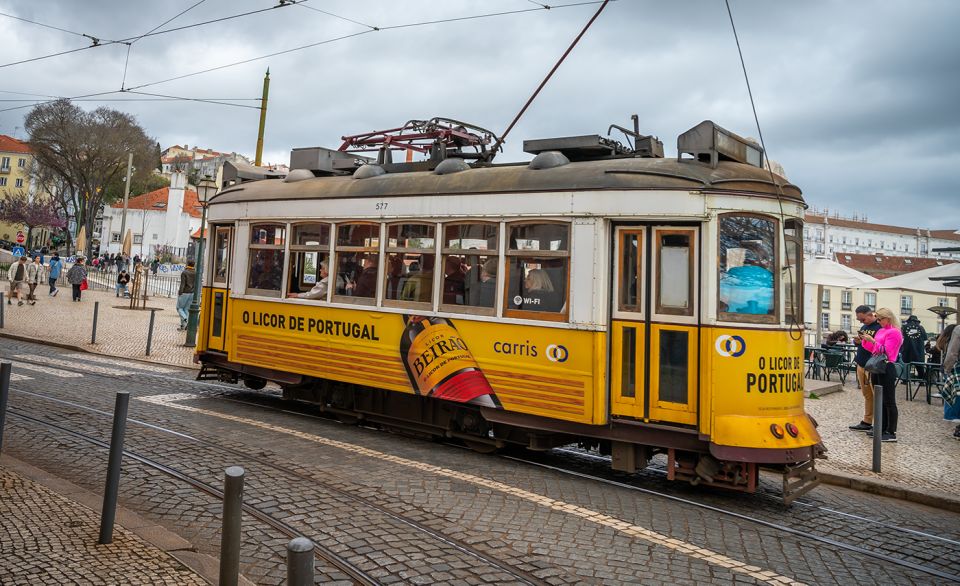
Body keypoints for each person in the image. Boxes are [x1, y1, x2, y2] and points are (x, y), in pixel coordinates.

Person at [860, 307, 903, 442]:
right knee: (880, 399)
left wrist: (873, 341)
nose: (878, 321)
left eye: (880, 319)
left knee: (889, 400)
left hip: (887, 366)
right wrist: (865, 340)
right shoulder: (881, 331)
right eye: (877, 319)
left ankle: (891, 431)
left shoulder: (894, 332)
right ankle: (881, 427)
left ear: (888, 318)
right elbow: (874, 349)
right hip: (877, 366)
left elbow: (887, 352)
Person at [849, 306, 882, 432]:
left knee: (876, 394)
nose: (861, 322)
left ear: (869, 315)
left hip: (872, 365)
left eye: (862, 319)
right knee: (867, 394)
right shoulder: (864, 327)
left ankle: (879, 423)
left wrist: (871, 340)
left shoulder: (879, 327)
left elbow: (880, 346)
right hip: (861, 363)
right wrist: (857, 342)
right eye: (859, 320)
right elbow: (863, 344)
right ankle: (867, 421)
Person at [937, 325, 960, 439]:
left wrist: (947, 369)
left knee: (957, 396)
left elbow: (952, 352)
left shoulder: (958, 329)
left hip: (958, 369)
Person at [176, 261, 196, 331]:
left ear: (187, 264)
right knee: (186, 309)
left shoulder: (184, 272)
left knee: (179, 308)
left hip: (184, 292)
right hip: (192, 293)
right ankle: (183, 326)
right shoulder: (196, 272)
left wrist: (180, 292)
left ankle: (186, 320)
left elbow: (183, 284)